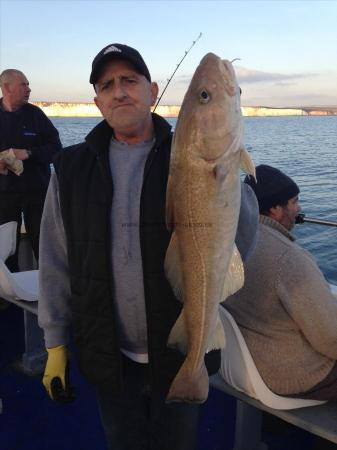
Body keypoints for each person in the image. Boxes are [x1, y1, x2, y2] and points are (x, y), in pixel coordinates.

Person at [38, 43, 258, 450]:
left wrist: (231, 180)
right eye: (107, 85)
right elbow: (55, 260)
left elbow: (243, 242)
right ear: (98, 101)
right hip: (109, 357)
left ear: (152, 91)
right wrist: (54, 341)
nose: (119, 91)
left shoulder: (186, 155)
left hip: (176, 352)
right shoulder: (69, 170)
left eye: (129, 80)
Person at [225, 164, 337, 401]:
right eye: (294, 202)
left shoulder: (228, 245)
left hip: (244, 368)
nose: (299, 209)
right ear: (275, 209)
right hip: (294, 376)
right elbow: (330, 338)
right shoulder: (289, 260)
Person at [0, 69, 62, 271]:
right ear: (7, 87)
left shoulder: (35, 115)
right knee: (6, 248)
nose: (29, 89)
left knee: (43, 244)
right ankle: (8, 298)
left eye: (28, 85)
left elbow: (56, 149)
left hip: (37, 193)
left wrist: (28, 153)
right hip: (4, 195)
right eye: (24, 85)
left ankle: (46, 294)